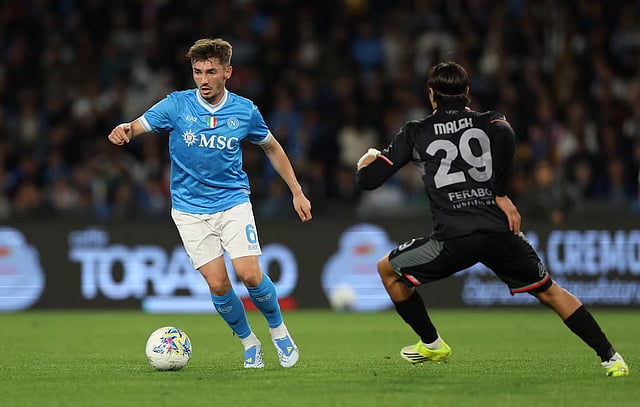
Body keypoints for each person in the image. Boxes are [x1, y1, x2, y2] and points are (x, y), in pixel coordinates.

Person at [355, 61, 630, 377]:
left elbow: (369, 181)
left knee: (387, 271)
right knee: (550, 291)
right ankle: (612, 358)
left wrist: (366, 162)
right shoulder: (490, 120)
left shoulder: (415, 132)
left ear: (431, 94)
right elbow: (507, 133)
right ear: (467, 91)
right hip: (500, 230)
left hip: (454, 239)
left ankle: (431, 343)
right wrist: (500, 193)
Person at [107, 38, 312, 369]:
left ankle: (279, 330)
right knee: (218, 284)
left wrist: (296, 191)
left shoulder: (245, 111)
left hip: (232, 202)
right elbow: (137, 126)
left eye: (211, 72)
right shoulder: (177, 105)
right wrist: (125, 130)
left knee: (249, 274)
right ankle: (249, 342)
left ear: (227, 73)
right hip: (189, 209)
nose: (203, 80)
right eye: (198, 72)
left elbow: (272, 147)